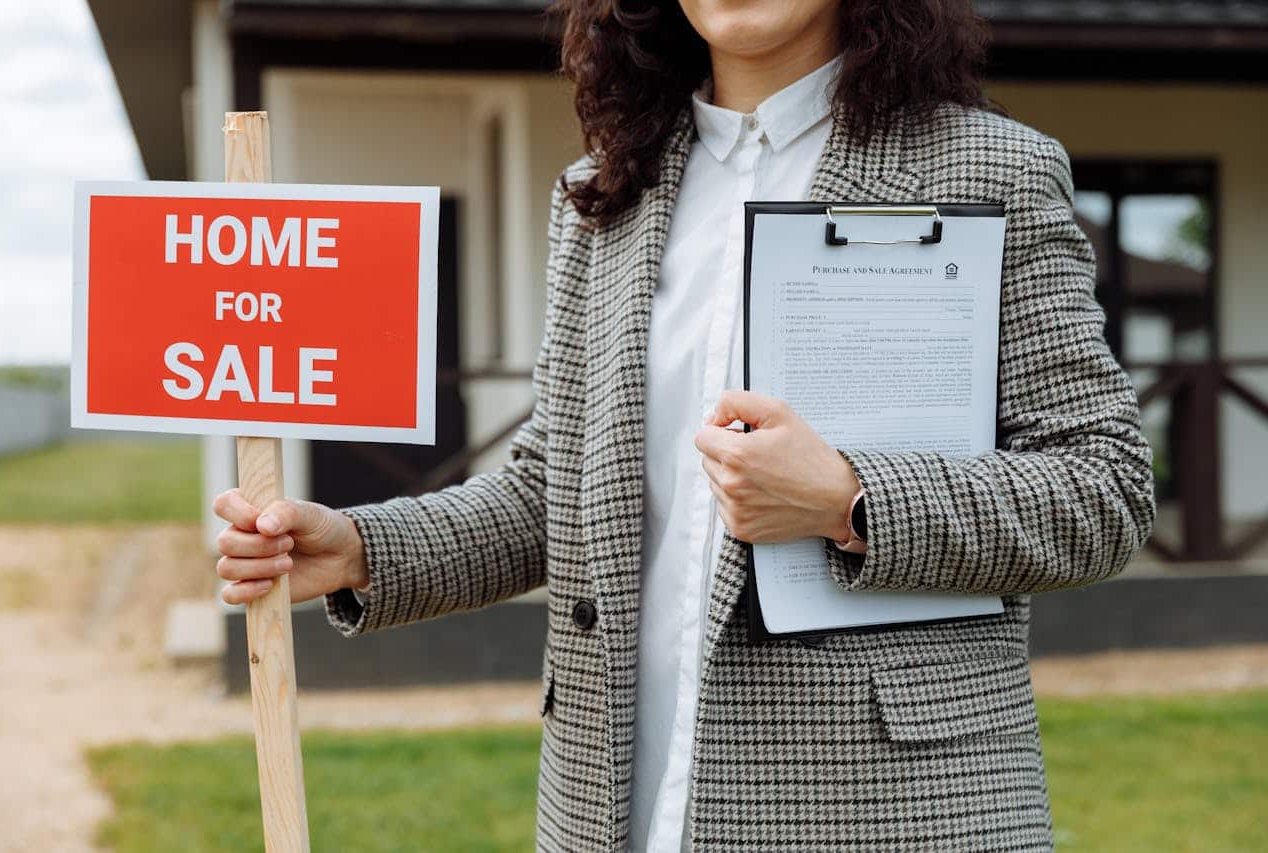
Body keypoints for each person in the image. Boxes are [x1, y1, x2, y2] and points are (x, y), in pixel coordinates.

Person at [211, 0, 1155, 849]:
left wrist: (850, 498)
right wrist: (360, 546)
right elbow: (558, 488)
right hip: (612, 797)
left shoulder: (991, 169)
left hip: (891, 806)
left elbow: (1102, 484)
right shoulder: (602, 195)